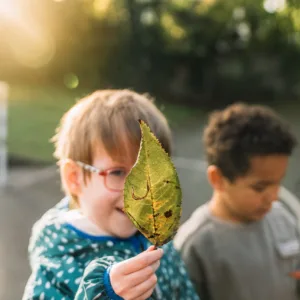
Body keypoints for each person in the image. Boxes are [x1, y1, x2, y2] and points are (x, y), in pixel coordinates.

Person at [22, 90, 199, 300]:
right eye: (117, 172)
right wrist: (103, 294)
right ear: (74, 178)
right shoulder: (56, 264)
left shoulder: (161, 244)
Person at [174, 103, 299, 300]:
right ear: (218, 179)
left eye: (278, 184)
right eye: (260, 188)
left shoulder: (284, 219)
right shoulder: (195, 246)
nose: (273, 197)